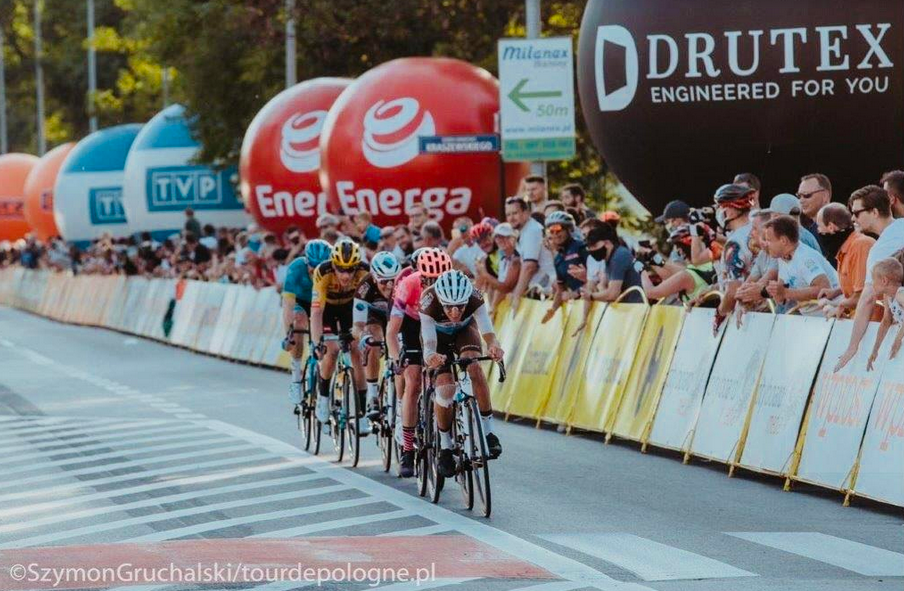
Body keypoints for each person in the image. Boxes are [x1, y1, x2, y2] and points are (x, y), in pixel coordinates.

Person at [420, 270, 504, 477]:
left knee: (474, 366)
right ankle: (446, 447)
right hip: (437, 339)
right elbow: (429, 343)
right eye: (449, 307)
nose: (455, 312)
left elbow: (488, 332)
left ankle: (488, 432)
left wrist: (494, 346)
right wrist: (431, 356)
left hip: (464, 333)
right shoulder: (429, 300)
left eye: (460, 306)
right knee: (446, 388)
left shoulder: (475, 296)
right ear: (441, 300)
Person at [386, 248, 452, 477]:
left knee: (447, 375)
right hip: (412, 325)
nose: (435, 285)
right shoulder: (408, 285)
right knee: (413, 381)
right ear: (421, 276)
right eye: (430, 281)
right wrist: (397, 358)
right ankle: (407, 450)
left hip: (438, 323)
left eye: (440, 279)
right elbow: (392, 332)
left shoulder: (453, 285)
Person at [836, 185, 904, 371]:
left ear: (874, 212)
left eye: (857, 213)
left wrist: (852, 346)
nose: (853, 218)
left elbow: (867, 298)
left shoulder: (880, 249)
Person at [310, 239, 370, 432]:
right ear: (333, 265)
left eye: (350, 269)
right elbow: (317, 312)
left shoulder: (364, 272)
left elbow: (367, 309)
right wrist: (316, 342)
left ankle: (361, 414)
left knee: (357, 355)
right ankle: (323, 398)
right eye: (341, 269)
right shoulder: (323, 272)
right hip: (327, 309)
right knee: (331, 350)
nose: (345, 275)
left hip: (350, 309)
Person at [352, 251, 402, 424]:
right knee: (374, 338)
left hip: (396, 316)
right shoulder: (364, 287)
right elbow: (357, 325)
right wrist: (363, 335)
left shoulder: (404, 282)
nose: (389, 286)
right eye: (383, 281)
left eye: (392, 280)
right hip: (375, 317)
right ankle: (373, 395)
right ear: (374, 278)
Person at [282, 239, 332, 404]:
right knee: (300, 322)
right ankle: (296, 378)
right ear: (306, 261)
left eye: (320, 267)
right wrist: (289, 333)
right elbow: (288, 305)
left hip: (323, 303)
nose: (315, 272)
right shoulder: (296, 268)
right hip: (301, 302)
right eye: (312, 267)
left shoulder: (332, 270)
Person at [762, 215, 839, 315]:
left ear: (783, 241)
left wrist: (785, 293)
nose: (765, 244)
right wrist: (775, 292)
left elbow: (824, 288)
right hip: (813, 319)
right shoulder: (783, 257)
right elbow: (783, 292)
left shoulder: (804, 257)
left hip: (834, 316)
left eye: (769, 240)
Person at [815, 203, 874, 318]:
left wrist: (836, 305)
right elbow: (855, 284)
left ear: (831, 227)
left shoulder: (859, 246)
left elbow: (863, 296)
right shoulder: (845, 248)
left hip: (872, 322)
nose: (818, 230)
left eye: (819, 226)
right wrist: (836, 292)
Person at [713, 183, 757, 331]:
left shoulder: (734, 243)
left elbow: (733, 290)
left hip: (748, 316)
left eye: (720, 207)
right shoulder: (759, 230)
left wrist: (719, 313)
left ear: (729, 211)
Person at [640, 225, 717, 304]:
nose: (678, 251)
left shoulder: (686, 275)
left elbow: (651, 293)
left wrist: (640, 269)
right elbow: (668, 275)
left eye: (679, 246)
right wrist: (652, 260)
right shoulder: (707, 261)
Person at [505, 196, 555, 311]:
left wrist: (517, 295)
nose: (511, 218)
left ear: (526, 212)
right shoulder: (526, 230)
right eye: (508, 214)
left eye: (515, 213)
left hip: (547, 290)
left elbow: (529, 267)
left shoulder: (532, 231)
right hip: (541, 290)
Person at [542, 211, 587, 322]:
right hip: (580, 306)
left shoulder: (581, 247)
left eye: (558, 229)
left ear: (569, 229)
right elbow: (561, 290)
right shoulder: (558, 259)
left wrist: (575, 293)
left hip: (593, 301)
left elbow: (596, 279)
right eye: (551, 231)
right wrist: (553, 309)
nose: (555, 234)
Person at [864, 258, 904, 371]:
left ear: (884, 281)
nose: (872, 284)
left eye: (873, 280)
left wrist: (898, 339)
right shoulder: (888, 297)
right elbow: (886, 321)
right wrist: (875, 350)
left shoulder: (900, 294)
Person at [476, 222, 520, 310]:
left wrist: (484, 274)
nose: (501, 240)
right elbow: (495, 285)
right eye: (497, 237)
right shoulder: (502, 259)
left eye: (505, 236)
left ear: (513, 238)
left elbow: (505, 288)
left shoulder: (516, 257)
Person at [797, 173, 832, 246]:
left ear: (825, 196)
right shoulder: (808, 229)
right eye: (799, 196)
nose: (801, 200)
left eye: (807, 195)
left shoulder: (838, 227)